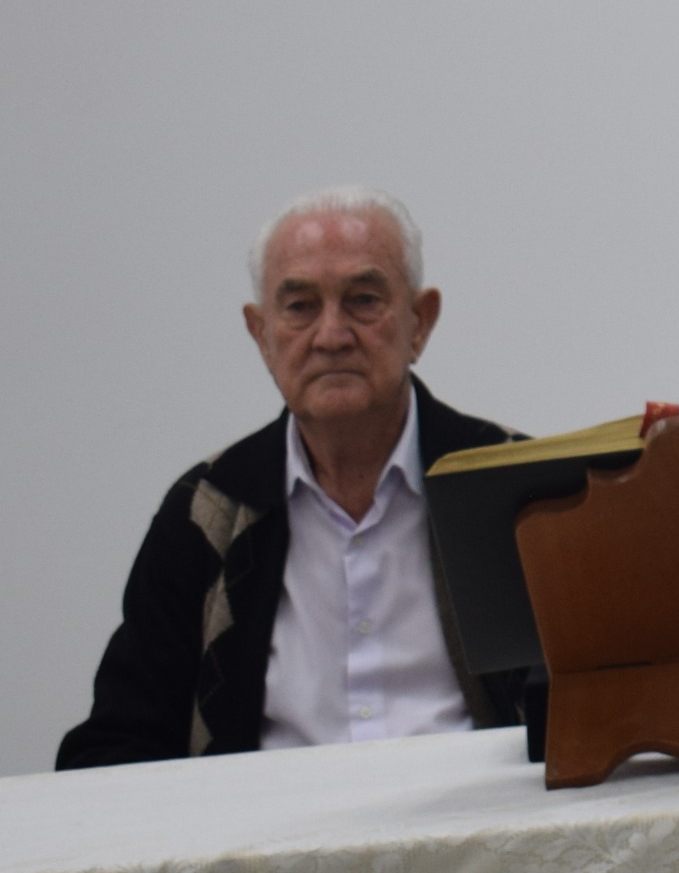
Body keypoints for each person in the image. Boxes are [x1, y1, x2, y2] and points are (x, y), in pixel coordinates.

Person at [58, 188, 526, 768]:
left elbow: (598, 703)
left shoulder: (516, 488)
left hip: (475, 816)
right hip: (267, 826)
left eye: (363, 300)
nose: (331, 336)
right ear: (261, 334)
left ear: (419, 322)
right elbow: (120, 741)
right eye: (300, 307)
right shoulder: (206, 513)